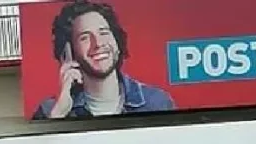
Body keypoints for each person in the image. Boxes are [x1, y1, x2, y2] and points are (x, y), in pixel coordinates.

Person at [32, 0, 176, 120]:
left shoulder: (157, 102)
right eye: (85, 37)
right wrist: (59, 114)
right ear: (69, 52)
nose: (98, 43)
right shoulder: (51, 110)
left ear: (117, 42)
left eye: (104, 32)